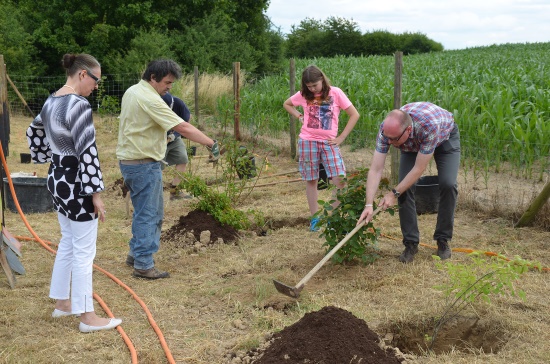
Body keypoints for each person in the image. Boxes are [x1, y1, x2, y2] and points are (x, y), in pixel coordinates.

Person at [26, 53, 122, 333]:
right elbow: (87, 150)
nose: (96, 87)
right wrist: (95, 193)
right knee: (83, 251)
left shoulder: (51, 100)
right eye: (96, 80)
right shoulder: (78, 105)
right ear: (82, 74)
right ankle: (88, 317)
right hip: (77, 182)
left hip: (57, 178)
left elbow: (34, 132)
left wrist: (48, 155)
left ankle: (63, 303)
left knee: (68, 241)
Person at [117, 59, 219, 280]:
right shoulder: (149, 99)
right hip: (143, 164)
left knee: (144, 210)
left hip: (131, 161)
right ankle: (144, 264)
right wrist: (210, 142)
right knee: (150, 214)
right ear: (153, 78)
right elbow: (181, 126)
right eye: (167, 82)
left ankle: (135, 254)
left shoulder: (133, 91)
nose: (169, 87)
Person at [357, 102, 461, 263]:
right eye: (387, 138)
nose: (389, 142)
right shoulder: (387, 131)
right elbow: (376, 169)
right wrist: (369, 204)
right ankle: (411, 243)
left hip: (443, 138)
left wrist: (393, 193)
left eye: (393, 139)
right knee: (404, 189)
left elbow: (419, 169)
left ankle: (443, 239)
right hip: (411, 144)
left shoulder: (429, 126)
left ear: (408, 130)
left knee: (448, 184)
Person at [283, 65, 360, 232]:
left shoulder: (336, 93)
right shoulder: (304, 94)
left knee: (340, 181)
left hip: (329, 143)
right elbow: (287, 104)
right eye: (308, 86)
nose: (312, 89)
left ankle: (330, 217)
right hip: (307, 142)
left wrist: (341, 138)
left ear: (322, 80)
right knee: (312, 180)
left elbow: (354, 114)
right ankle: (315, 218)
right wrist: (299, 116)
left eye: (314, 85)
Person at [161, 92, 192, 200]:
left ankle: (175, 192)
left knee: (182, 158)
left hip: (173, 137)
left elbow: (186, 121)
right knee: (156, 166)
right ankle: (154, 194)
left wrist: (173, 135)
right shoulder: (154, 105)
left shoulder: (178, 103)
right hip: (157, 140)